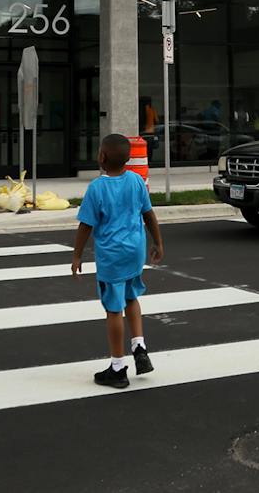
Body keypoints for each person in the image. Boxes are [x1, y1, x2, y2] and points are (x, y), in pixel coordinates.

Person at [71, 133, 164, 389]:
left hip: (112, 257)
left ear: (101, 157)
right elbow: (149, 214)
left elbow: (85, 226)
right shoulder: (136, 181)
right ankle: (139, 346)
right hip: (135, 251)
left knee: (114, 309)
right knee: (132, 298)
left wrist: (77, 254)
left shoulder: (97, 188)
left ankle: (117, 367)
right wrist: (158, 242)